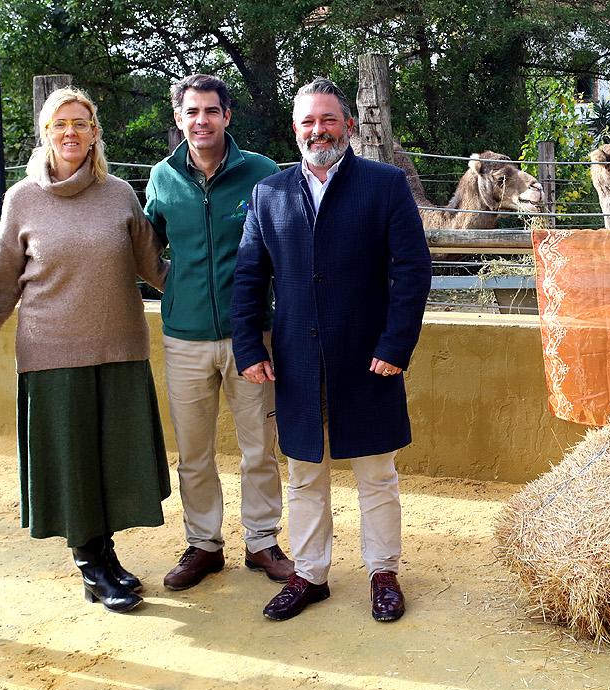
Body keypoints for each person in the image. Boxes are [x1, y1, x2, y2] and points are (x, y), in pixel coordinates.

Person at [232, 77, 431, 623]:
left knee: (376, 473)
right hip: (297, 361)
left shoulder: (384, 185)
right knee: (304, 474)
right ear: (295, 130)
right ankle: (310, 574)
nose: (318, 130)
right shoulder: (268, 193)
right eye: (307, 122)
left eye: (327, 119)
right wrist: (249, 346)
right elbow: (250, 276)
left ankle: (383, 572)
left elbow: (412, 273)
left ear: (347, 124)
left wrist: (395, 345)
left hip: (370, 359)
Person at [0, 86, 170, 614]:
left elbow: (155, 268)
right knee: (73, 463)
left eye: (81, 123)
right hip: (52, 353)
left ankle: (105, 555)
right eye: (60, 123)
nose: (71, 133)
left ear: (94, 133)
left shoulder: (120, 194)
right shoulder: (21, 199)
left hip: (120, 348)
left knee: (110, 461)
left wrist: (224, 271)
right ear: (46, 132)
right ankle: (92, 567)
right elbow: (1, 285)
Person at [145, 74, 293, 591]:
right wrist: (178, 288)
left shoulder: (262, 173)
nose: (201, 121)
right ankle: (203, 544)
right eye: (192, 112)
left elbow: (284, 247)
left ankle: (262, 542)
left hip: (252, 337)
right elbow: (148, 247)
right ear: (180, 119)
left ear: (227, 116)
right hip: (183, 337)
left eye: (211, 111)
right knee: (194, 451)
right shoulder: (162, 177)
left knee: (259, 446)